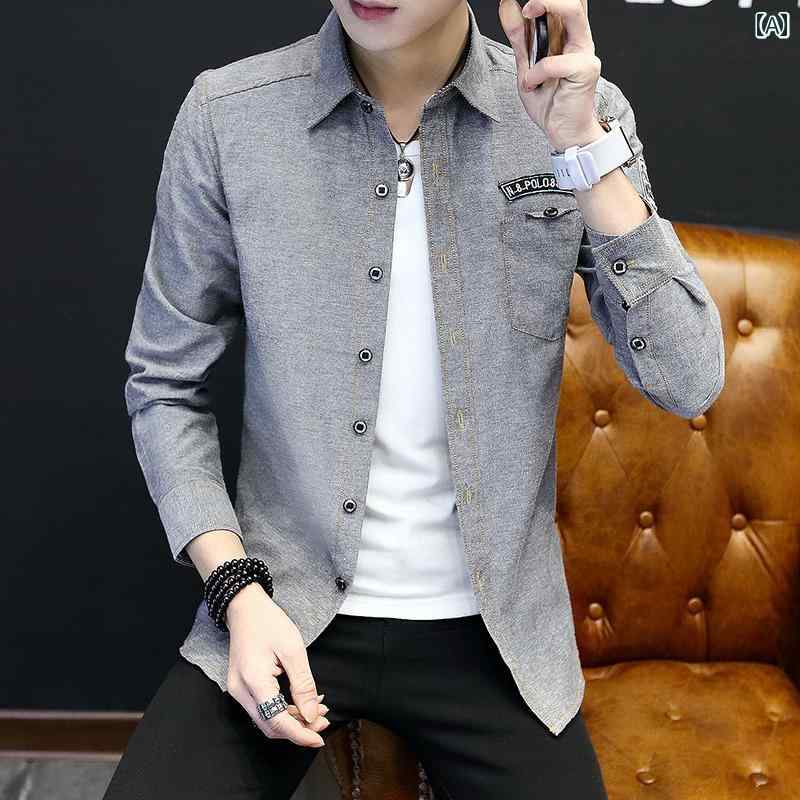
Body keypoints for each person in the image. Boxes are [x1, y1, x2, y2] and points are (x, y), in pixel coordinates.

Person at [105, 0, 725, 797]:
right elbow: (164, 382)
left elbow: (689, 379)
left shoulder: (582, 116)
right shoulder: (231, 115)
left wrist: (582, 150)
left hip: (496, 636)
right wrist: (236, 592)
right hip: (285, 602)